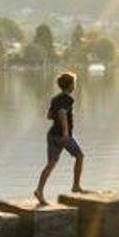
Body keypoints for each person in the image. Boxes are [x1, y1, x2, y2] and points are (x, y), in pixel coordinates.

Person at [34, 71, 85, 205]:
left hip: (52, 135)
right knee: (79, 156)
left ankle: (39, 190)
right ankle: (76, 186)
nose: (74, 86)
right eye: (74, 83)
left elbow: (49, 116)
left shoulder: (55, 99)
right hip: (62, 136)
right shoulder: (68, 99)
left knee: (51, 163)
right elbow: (62, 112)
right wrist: (66, 132)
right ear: (70, 85)